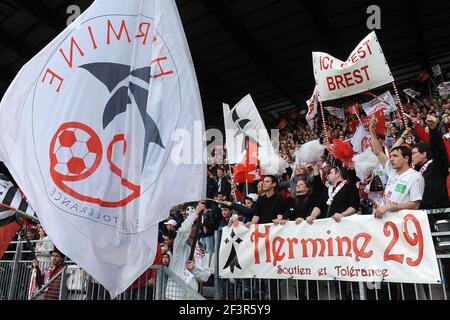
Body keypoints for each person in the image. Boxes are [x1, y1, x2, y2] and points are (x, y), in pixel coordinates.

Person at [370, 117, 425, 300]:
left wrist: (389, 208)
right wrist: (371, 130)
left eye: (395, 156)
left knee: (406, 272)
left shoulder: (415, 177)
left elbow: (415, 204)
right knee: (390, 269)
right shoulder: (392, 171)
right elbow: (377, 151)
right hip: (387, 229)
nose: (390, 159)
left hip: (405, 231)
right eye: (391, 156)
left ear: (406, 159)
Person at [165, 201, 211, 300]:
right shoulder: (180, 244)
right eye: (192, 225)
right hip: (175, 295)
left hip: (191, 295)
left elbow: (205, 276)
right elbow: (183, 231)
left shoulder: (202, 249)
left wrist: (194, 269)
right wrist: (196, 213)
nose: (194, 228)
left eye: (197, 226)